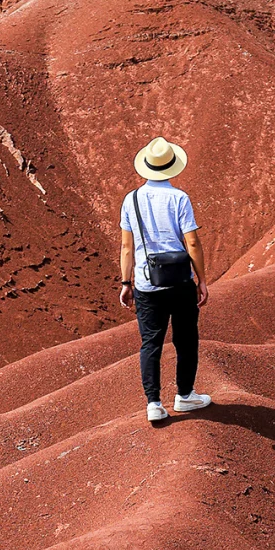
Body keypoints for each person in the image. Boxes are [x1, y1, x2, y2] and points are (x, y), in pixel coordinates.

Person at [120, 136, 212, 423]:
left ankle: (154, 403)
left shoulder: (131, 200)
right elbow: (192, 242)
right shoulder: (179, 198)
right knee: (186, 339)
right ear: (172, 167)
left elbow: (126, 247)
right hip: (181, 282)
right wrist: (202, 280)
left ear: (146, 166)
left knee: (151, 343)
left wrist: (126, 283)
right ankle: (185, 396)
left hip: (147, 284)